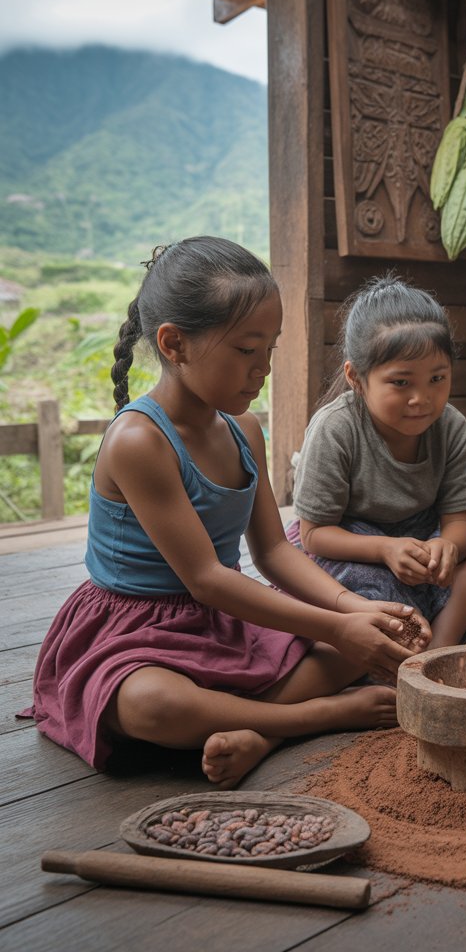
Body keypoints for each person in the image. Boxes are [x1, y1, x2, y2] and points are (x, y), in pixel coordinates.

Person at [26, 237, 430, 789]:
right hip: (133, 627)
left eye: (270, 349)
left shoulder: (243, 430)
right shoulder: (139, 440)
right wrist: (341, 626)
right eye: (246, 350)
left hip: (216, 623)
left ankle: (256, 734)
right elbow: (208, 579)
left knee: (351, 650)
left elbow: (273, 551)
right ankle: (309, 718)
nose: (262, 368)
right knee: (149, 705)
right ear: (174, 344)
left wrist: (358, 612)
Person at [286, 273, 466, 650]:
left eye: (437, 378)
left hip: (421, 541)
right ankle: (411, 655)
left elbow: (459, 523)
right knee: (378, 593)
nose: (421, 398)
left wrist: (448, 547)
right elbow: (314, 534)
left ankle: (433, 658)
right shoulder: (336, 429)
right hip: (350, 544)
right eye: (401, 382)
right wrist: (384, 549)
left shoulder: (452, 428)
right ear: (356, 378)